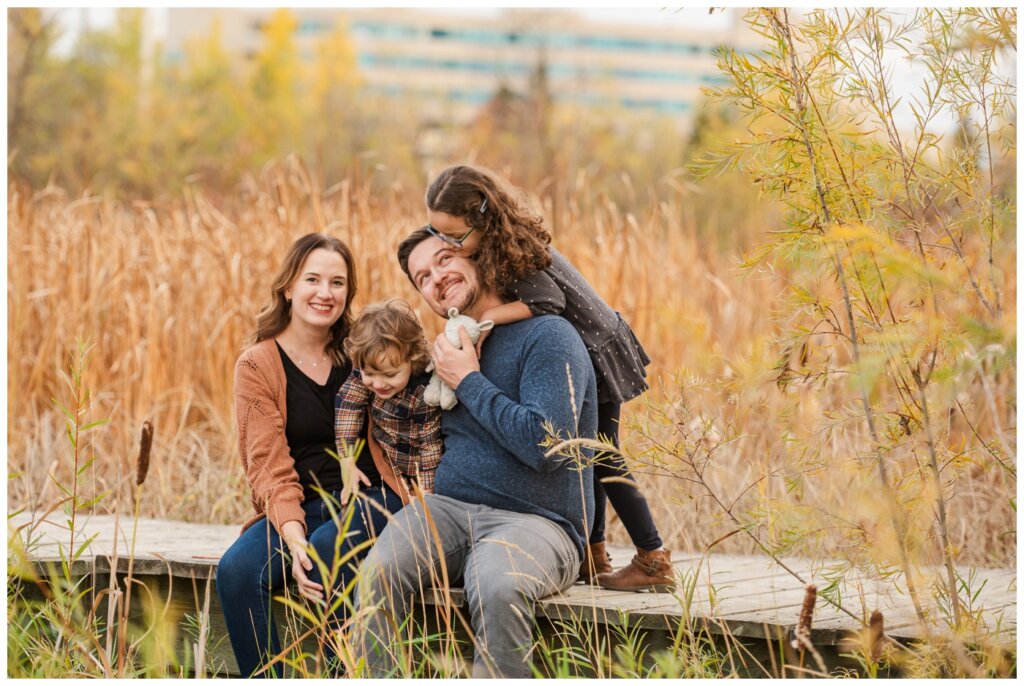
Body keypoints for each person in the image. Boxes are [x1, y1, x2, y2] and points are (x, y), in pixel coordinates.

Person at [355, 229, 597, 678]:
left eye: (444, 260)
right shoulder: (450, 345)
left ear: (476, 256)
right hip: (446, 511)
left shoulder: (549, 335)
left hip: (538, 522)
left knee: (496, 586)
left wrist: (469, 380)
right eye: (422, 277)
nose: (436, 279)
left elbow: (547, 446)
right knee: (377, 573)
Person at [420, 163, 674, 592]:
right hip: (581, 349)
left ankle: (653, 557)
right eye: (437, 234)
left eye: (454, 238)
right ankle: (593, 554)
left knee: (600, 454)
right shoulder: (493, 241)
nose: (448, 245)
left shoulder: (516, 251)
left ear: (482, 221)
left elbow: (548, 303)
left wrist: (483, 320)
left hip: (597, 349)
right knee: (582, 455)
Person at [217, 233, 405, 678]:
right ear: (288, 287)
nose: (325, 293)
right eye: (313, 279)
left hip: (373, 498)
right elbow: (267, 465)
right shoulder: (258, 365)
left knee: (328, 555)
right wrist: (293, 538)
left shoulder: (363, 350)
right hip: (303, 506)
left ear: (348, 292)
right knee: (237, 572)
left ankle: (345, 673)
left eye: (337, 283)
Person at [335, 298, 441, 502]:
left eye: (390, 375)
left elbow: (430, 444)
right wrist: (346, 460)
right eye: (370, 374)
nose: (378, 384)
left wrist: (427, 491)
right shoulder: (366, 369)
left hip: (418, 463)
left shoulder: (423, 392)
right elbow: (348, 405)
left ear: (413, 358)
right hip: (386, 462)